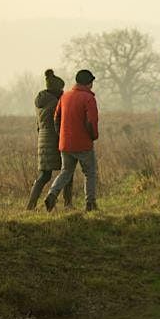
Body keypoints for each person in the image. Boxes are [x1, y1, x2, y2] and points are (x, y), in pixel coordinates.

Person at [44, 69, 99, 212]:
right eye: (91, 82)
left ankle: (52, 194)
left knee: (66, 171)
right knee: (90, 173)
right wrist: (93, 136)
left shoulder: (65, 96)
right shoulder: (89, 98)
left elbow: (56, 118)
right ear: (88, 83)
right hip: (83, 144)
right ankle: (90, 204)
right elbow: (91, 121)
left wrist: (61, 135)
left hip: (65, 143)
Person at [27, 69, 73, 210]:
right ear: (57, 89)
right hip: (57, 138)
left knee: (44, 175)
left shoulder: (40, 102)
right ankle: (67, 204)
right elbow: (63, 121)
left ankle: (31, 205)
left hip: (42, 139)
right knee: (67, 171)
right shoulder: (57, 102)